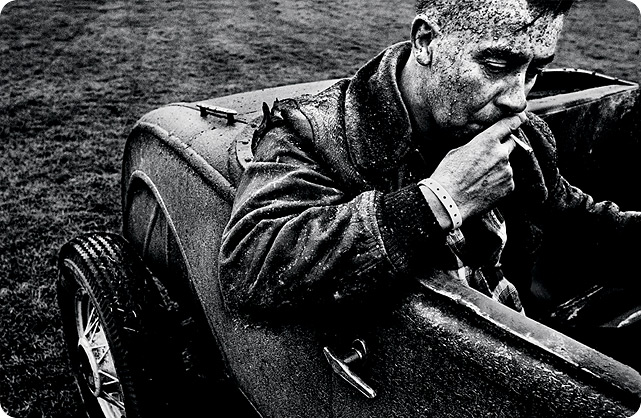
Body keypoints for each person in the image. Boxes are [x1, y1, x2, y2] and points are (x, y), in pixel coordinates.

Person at [218, 0, 641, 319]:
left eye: (535, 72)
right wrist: (439, 200)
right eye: (497, 65)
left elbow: (574, 217)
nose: (518, 99)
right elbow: (249, 270)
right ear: (425, 41)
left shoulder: (523, 135)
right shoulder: (314, 134)